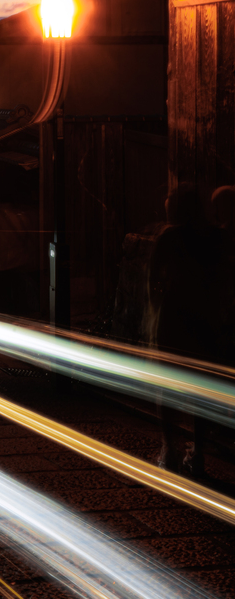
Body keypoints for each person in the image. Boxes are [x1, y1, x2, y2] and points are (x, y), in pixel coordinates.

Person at [149, 183, 229, 477]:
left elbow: (153, 278)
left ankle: (168, 448)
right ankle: (197, 452)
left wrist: (153, 310)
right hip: (205, 316)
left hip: (174, 315)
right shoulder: (215, 238)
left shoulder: (169, 237)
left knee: (167, 383)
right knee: (200, 386)